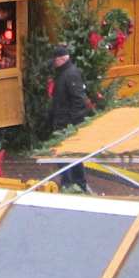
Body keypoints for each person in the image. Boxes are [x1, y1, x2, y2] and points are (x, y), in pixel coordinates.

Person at [45, 43, 93, 191]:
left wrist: (72, 124)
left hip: (66, 123)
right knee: (69, 156)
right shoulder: (65, 73)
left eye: (55, 60)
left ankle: (71, 183)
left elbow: (78, 100)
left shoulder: (69, 74)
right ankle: (76, 183)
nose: (53, 63)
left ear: (61, 59)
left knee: (65, 155)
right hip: (64, 120)